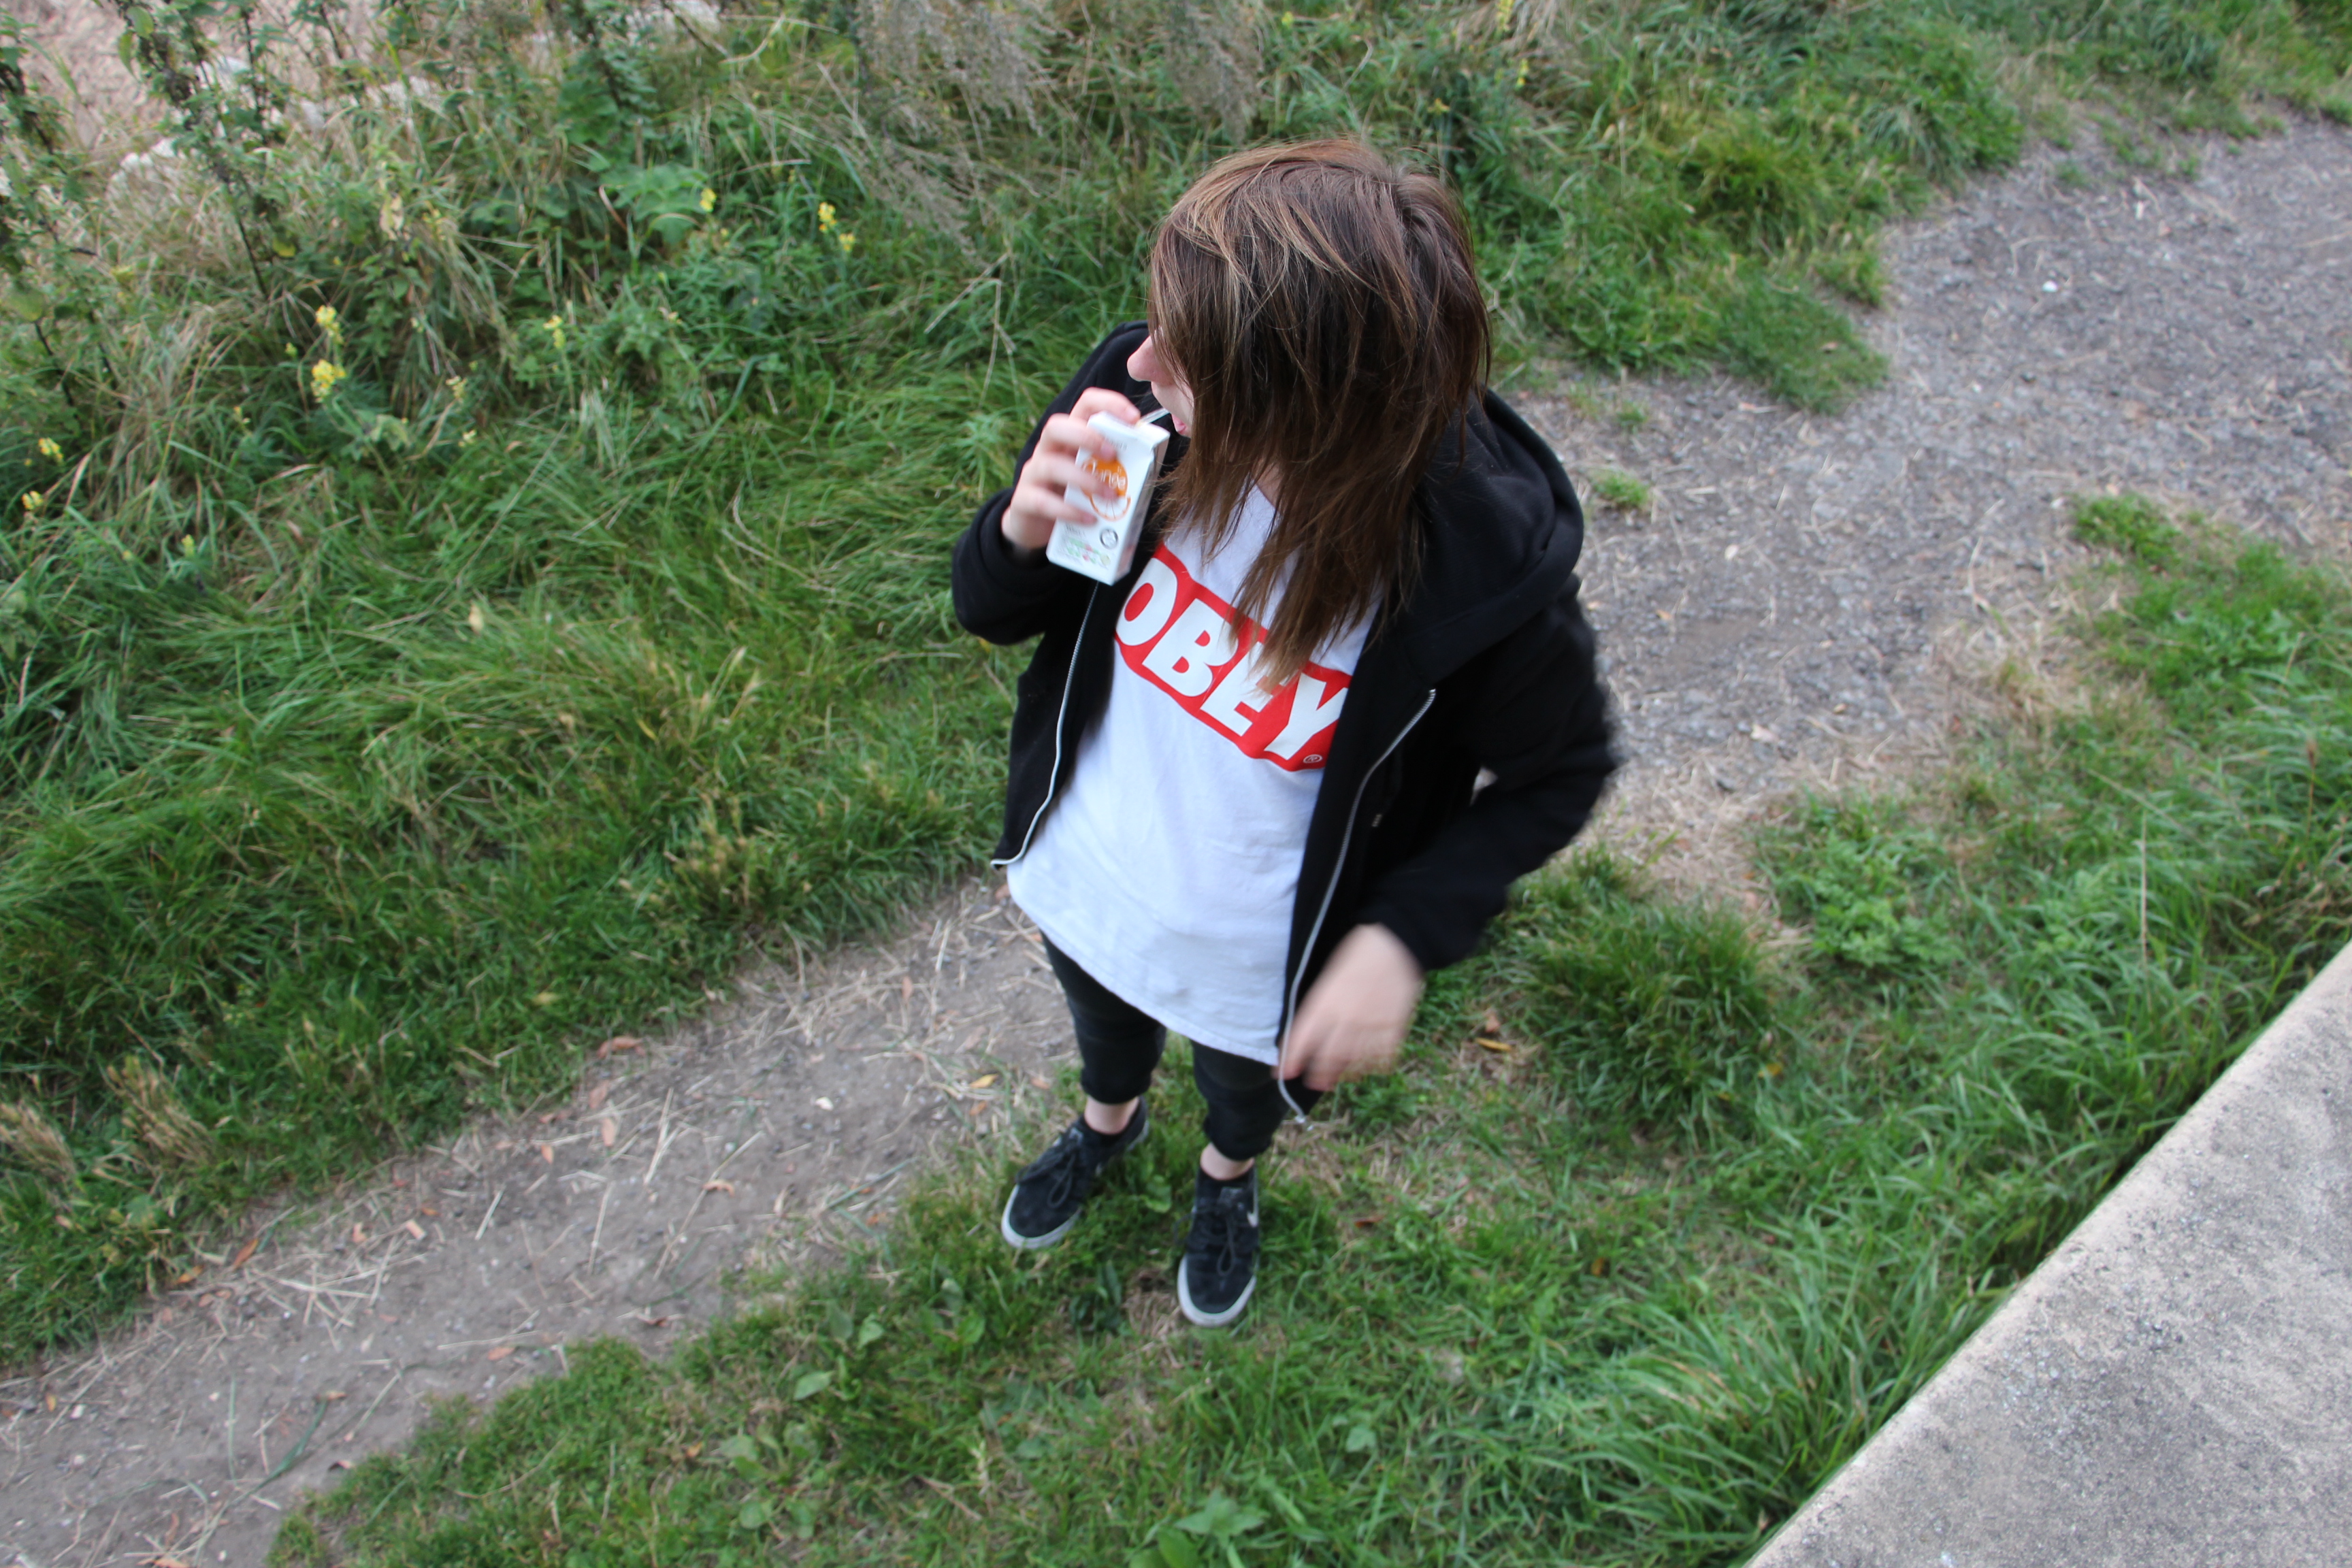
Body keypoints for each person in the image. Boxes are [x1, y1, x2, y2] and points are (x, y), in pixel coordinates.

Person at [949, 140, 1614, 1327]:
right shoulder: (1146, 408)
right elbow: (994, 611)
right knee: (1105, 1027)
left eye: (1185, 354)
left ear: (1297, 413)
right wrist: (1018, 531)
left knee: (1240, 1092)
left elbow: (1561, 770)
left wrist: (1400, 938)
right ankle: (1108, 1121)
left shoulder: (1474, 575)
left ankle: (1226, 1178)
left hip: (1264, 964)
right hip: (1090, 874)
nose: (1140, 359)